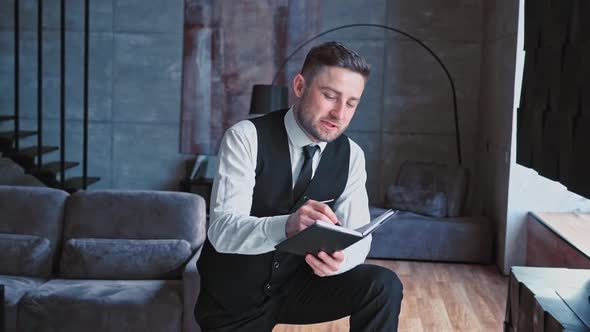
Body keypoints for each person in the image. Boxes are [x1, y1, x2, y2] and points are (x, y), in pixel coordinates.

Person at [195, 41, 403, 331]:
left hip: (297, 287)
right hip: (234, 298)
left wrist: (341, 261)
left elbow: (360, 236)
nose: (339, 114)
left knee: (383, 285)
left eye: (352, 104)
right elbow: (222, 231)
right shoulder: (245, 137)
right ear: (300, 85)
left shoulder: (352, 154)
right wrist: (287, 226)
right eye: (330, 96)